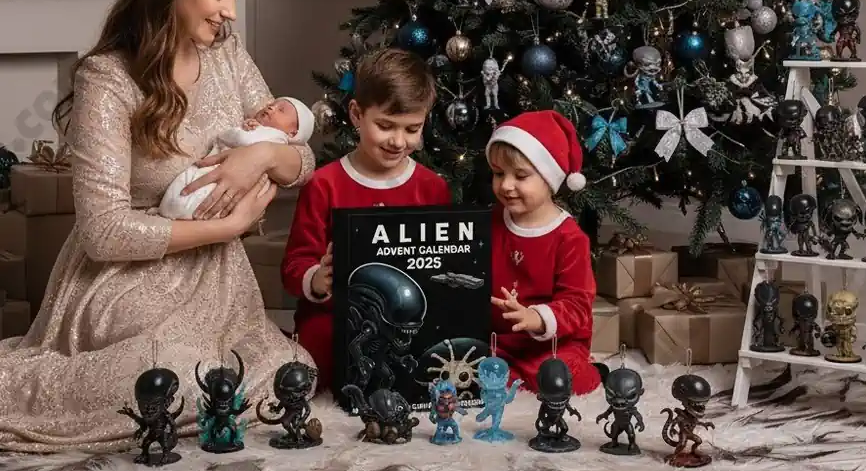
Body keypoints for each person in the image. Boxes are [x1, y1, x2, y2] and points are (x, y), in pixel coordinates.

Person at [0, 0, 314, 454]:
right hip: (127, 281)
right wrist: (228, 227)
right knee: (171, 377)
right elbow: (103, 232)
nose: (230, 11)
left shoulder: (227, 55)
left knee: (289, 371)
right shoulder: (108, 77)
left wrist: (261, 155)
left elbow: (302, 158)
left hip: (219, 282)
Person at [281, 47, 451, 391]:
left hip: (406, 321)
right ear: (357, 114)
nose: (398, 141)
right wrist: (317, 279)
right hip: (335, 315)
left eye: (412, 129)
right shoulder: (324, 184)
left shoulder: (432, 188)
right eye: (385, 126)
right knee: (319, 355)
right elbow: (294, 265)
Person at [487, 110, 601, 395]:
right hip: (500, 340)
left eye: (521, 175)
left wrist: (537, 318)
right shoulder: (490, 223)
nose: (506, 185)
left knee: (558, 377)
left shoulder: (569, 238)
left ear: (549, 179)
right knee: (482, 373)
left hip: (555, 342)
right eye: (498, 173)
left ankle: (592, 371)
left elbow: (577, 304)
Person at [158, 96, 315, 219]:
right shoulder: (265, 132)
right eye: (272, 104)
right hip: (220, 171)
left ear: (292, 133)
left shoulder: (277, 137)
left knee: (197, 194)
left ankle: (174, 213)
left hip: (224, 177)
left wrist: (240, 130)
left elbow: (242, 140)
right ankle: (172, 213)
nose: (271, 107)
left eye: (281, 110)